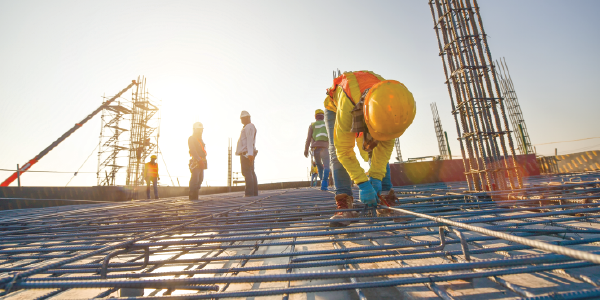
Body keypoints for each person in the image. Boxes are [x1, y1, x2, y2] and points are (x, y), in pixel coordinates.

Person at [323, 70, 416, 226]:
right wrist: (363, 183)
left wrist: (376, 178)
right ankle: (345, 205)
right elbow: (344, 151)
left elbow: (384, 147)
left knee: (377, 145)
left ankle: (385, 197)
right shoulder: (348, 104)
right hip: (337, 107)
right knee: (336, 152)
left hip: (369, 103)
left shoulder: (393, 105)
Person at [304, 109, 330, 190]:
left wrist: (306, 150)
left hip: (316, 149)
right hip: (325, 148)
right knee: (326, 166)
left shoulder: (312, 125)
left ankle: (322, 181)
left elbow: (308, 139)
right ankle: (324, 184)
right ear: (323, 116)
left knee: (319, 166)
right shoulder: (327, 124)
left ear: (315, 117)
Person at [235, 110, 258, 197]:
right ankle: (254, 193)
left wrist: (250, 154)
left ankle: (249, 193)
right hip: (248, 153)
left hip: (246, 154)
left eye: (242, 118)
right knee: (251, 172)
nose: (241, 120)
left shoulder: (249, 127)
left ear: (246, 118)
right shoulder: (249, 127)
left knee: (247, 172)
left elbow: (249, 141)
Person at [188, 122, 207, 200]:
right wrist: (199, 160)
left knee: (200, 178)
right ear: (195, 130)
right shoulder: (192, 138)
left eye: (201, 130)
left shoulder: (200, 140)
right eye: (199, 130)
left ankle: (196, 195)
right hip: (196, 161)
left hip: (202, 160)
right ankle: (193, 196)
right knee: (195, 178)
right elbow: (193, 150)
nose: (200, 132)